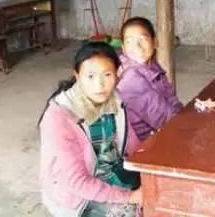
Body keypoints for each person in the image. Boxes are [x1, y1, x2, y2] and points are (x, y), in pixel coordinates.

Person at [38, 42, 142, 217]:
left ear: (117, 74)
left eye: (107, 75)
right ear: (77, 76)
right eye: (91, 76)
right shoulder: (59, 117)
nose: (99, 85)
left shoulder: (115, 100)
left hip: (111, 173)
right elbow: (78, 183)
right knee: (130, 213)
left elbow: (133, 144)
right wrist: (131, 197)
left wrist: (150, 167)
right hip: (78, 196)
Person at [118, 17, 183, 142]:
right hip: (143, 144)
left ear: (155, 42)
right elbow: (163, 118)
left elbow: (172, 99)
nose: (137, 46)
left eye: (142, 39)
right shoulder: (130, 78)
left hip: (164, 130)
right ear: (123, 48)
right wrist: (189, 123)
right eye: (129, 42)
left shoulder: (152, 65)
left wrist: (186, 114)